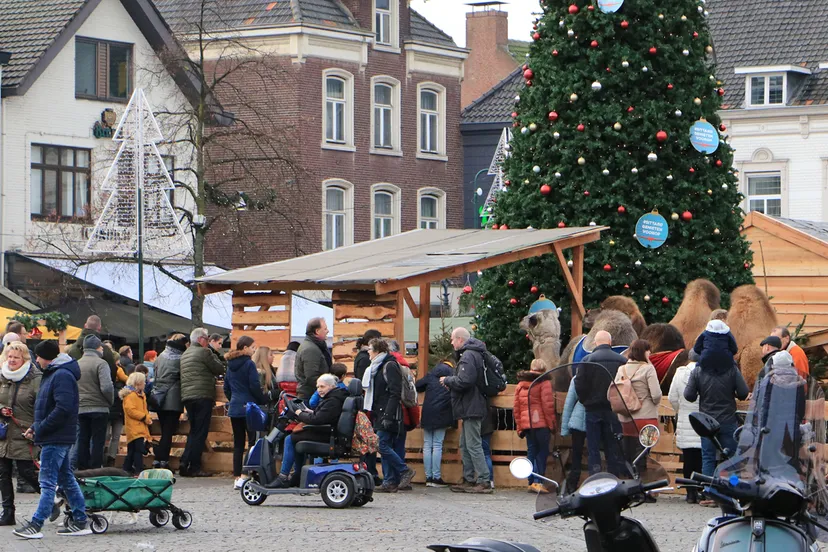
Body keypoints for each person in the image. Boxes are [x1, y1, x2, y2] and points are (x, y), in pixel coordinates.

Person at [14, 341, 91, 538]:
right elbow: (49, 407)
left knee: (47, 482)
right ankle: (80, 520)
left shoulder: (61, 375)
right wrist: (35, 427)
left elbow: (63, 408)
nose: (37, 360)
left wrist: (40, 427)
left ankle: (36, 524)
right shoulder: (55, 373)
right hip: (55, 434)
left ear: (46, 357)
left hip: (56, 436)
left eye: (39, 357)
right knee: (66, 478)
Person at [684, 333, 749, 484]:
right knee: (731, 458)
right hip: (728, 420)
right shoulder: (732, 369)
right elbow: (743, 393)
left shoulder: (698, 370)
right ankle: (731, 488)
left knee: (708, 458)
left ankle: (708, 489)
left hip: (706, 423)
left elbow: (689, 395)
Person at [272, 374, 349, 487]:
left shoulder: (333, 400)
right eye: (317, 387)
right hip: (329, 431)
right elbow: (323, 415)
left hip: (328, 434)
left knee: (290, 438)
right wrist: (309, 411)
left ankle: (283, 477)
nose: (319, 390)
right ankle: (297, 476)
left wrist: (299, 413)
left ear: (332, 386)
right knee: (296, 438)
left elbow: (317, 420)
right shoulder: (334, 397)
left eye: (322, 387)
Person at [441, 327, 492, 494]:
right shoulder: (474, 354)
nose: (451, 342)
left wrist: (448, 380)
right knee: (465, 444)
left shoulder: (468, 355)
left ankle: (483, 480)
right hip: (472, 405)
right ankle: (469, 479)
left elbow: (465, 381)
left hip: (472, 406)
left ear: (460, 339)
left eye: (452, 339)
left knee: (473, 444)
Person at [362, 338, 415, 493]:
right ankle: (389, 481)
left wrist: (388, 415)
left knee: (381, 444)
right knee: (385, 445)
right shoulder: (376, 366)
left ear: (377, 350)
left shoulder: (389, 365)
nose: (368, 352)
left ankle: (404, 470)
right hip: (379, 412)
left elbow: (394, 392)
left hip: (389, 413)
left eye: (370, 349)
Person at [0, 342, 41, 525]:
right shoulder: (2, 376)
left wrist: (36, 428)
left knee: (27, 472)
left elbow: (41, 406)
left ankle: (53, 499)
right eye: (9, 356)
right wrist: (1, 409)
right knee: (3, 473)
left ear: (24, 359)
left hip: (25, 432)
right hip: (4, 433)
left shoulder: (34, 379)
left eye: (16, 357)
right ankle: (8, 513)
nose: (12, 360)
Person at [576, 330, 626, 476]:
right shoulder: (621, 361)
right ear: (610, 342)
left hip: (592, 409)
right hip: (613, 410)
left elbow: (579, 384)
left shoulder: (586, 360)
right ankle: (614, 478)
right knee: (613, 446)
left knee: (593, 448)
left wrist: (585, 401)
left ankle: (595, 477)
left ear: (595, 343)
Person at [179, 328, 226, 477]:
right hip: (202, 395)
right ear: (200, 339)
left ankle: (184, 462)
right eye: (206, 338)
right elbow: (219, 368)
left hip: (187, 396)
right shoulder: (205, 352)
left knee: (193, 430)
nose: (208, 341)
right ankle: (194, 466)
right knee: (200, 432)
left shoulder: (185, 354)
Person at [224, 336, 269, 489]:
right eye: (252, 347)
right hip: (248, 407)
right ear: (245, 348)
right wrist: (262, 400)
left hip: (234, 407)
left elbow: (226, 388)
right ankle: (245, 474)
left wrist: (233, 400)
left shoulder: (230, 365)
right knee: (252, 441)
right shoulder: (249, 364)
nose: (254, 350)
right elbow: (254, 385)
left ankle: (236, 477)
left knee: (238, 443)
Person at [614, 339, 662, 475]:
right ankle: (641, 481)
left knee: (628, 453)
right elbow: (656, 395)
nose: (650, 353)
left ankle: (629, 481)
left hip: (626, 419)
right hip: (646, 420)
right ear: (643, 352)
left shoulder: (621, 369)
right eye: (648, 350)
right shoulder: (648, 369)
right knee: (643, 453)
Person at [514, 359, 557, 493]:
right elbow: (547, 406)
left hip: (527, 425)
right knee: (542, 452)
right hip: (541, 424)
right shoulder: (544, 382)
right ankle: (538, 481)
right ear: (544, 369)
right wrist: (552, 425)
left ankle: (531, 481)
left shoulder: (521, 384)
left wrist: (520, 426)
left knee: (532, 451)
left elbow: (516, 408)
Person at [668, 350, 702, 504]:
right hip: (701, 420)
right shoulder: (705, 372)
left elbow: (672, 397)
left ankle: (689, 493)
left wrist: (679, 410)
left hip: (685, 418)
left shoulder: (680, 373)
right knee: (701, 458)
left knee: (688, 458)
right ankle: (700, 490)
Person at [75, 335, 114, 470]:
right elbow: (107, 387)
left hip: (81, 407)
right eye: (101, 347)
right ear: (97, 347)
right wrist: (110, 401)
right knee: (98, 441)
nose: (102, 349)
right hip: (99, 407)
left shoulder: (77, 363)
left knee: (82, 439)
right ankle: (96, 469)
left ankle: (82, 469)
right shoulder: (101, 364)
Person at [151, 334, 188, 470]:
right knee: (168, 432)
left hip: (159, 397)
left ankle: (158, 459)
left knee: (164, 430)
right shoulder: (180, 358)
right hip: (173, 398)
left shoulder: (160, 356)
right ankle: (162, 460)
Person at [416, 357, 454, 488]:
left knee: (427, 445)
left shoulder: (431, 374)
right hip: (443, 413)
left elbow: (418, 386)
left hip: (428, 412)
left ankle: (428, 477)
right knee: (437, 444)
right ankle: (436, 478)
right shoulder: (452, 375)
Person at [120, 372, 152, 476]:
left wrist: (147, 417)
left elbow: (143, 409)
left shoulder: (140, 395)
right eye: (143, 382)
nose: (145, 384)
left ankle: (126, 469)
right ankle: (138, 470)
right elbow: (130, 410)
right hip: (135, 427)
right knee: (138, 450)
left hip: (138, 426)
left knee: (133, 450)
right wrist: (144, 417)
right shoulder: (131, 395)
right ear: (138, 383)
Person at [295, 318, 332, 400]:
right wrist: (328, 387)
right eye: (325, 329)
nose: (327, 331)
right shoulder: (310, 349)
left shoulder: (315, 346)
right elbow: (311, 377)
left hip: (313, 394)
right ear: (317, 331)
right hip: (311, 396)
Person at [561, 374, 587, 493]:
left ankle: (572, 484)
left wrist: (564, 429)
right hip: (597, 420)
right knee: (595, 453)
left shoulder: (577, 378)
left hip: (578, 421)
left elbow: (569, 403)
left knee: (577, 455)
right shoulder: (603, 374)